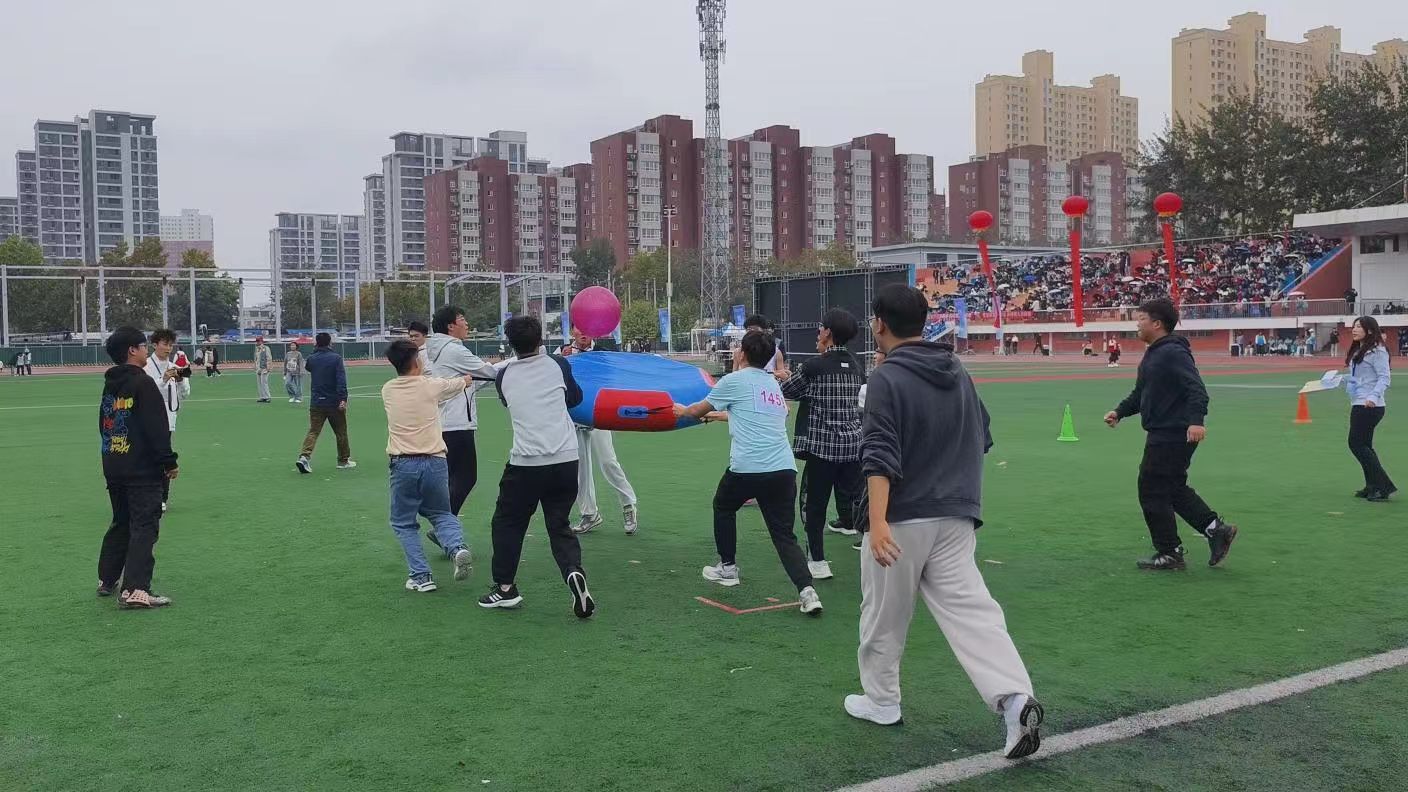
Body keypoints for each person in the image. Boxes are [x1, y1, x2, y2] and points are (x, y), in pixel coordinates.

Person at [844, 285, 1042, 761]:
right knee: (973, 612)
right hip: (956, 514)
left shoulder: (886, 377)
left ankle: (882, 701)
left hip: (902, 517)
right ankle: (1015, 700)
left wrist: (878, 521)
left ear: (879, 324)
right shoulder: (957, 370)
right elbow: (982, 435)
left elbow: (879, 454)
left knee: (884, 615)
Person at [674, 330, 824, 616]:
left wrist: (681, 411)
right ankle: (807, 591)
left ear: (742, 353)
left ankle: (728, 568)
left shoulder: (734, 381)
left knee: (723, 505)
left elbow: (697, 410)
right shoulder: (772, 385)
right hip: (783, 469)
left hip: (748, 467)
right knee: (784, 535)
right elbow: (755, 412)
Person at [1104, 299, 1238, 570]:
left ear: (1157, 324)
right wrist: (1120, 411)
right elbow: (1141, 394)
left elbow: (1196, 389)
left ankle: (1169, 552)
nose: (1137, 324)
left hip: (1173, 431)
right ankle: (1216, 530)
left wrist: (1196, 421)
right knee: (1172, 487)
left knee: (1151, 489)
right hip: (1166, 430)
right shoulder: (1154, 353)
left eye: (1141, 319)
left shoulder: (1172, 352)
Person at [478, 315, 595, 619]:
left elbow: (508, 402)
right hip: (566, 459)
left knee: (507, 523)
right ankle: (573, 570)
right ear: (540, 339)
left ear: (511, 344)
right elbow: (575, 398)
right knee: (559, 524)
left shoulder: (504, 376)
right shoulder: (559, 365)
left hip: (527, 463)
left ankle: (505, 588)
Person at [380, 340, 478, 592]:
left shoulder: (388, 389)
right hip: (435, 461)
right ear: (416, 362)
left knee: (404, 522)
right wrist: (467, 378)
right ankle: (457, 547)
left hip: (403, 463)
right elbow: (459, 383)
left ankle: (421, 576)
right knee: (441, 513)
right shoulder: (431, 385)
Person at [775, 308, 865, 579]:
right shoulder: (857, 366)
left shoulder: (814, 366)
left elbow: (787, 391)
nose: (818, 332)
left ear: (828, 332)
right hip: (852, 446)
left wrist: (785, 378)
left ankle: (818, 560)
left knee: (814, 505)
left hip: (822, 448)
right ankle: (869, 544)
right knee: (858, 497)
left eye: (821, 327)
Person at [97, 327, 179, 609]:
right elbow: (157, 428)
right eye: (143, 346)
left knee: (121, 521)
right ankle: (135, 589)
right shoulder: (143, 383)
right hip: (141, 469)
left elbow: (104, 425)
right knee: (144, 526)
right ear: (132, 350)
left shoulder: (110, 384)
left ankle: (107, 579)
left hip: (114, 462)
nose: (146, 350)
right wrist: (169, 462)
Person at [424, 306, 496, 538]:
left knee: (454, 478)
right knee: (466, 477)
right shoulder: (454, 350)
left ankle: (442, 525)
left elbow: (473, 381)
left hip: (446, 422)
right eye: (462, 319)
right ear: (450, 326)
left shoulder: (439, 349)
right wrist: (518, 362)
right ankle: (442, 526)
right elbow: (488, 372)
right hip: (456, 424)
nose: (467, 324)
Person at [560, 328, 640, 536]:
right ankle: (589, 513)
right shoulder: (563, 353)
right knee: (580, 468)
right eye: (579, 328)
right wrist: (563, 360)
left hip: (599, 414)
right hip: (574, 415)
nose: (583, 333)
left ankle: (628, 505)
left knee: (608, 461)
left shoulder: (603, 352)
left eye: (587, 328)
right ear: (572, 331)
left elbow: (613, 379)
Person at [1344, 317, 1396, 502]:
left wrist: (1373, 396)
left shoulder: (1377, 351)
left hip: (1370, 405)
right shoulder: (1360, 350)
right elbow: (1361, 377)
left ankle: (1383, 486)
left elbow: (1384, 377)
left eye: (1359, 326)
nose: (1354, 329)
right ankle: (1372, 485)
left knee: (1356, 444)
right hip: (1359, 402)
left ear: (1370, 330)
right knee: (1365, 445)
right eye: (1354, 326)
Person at [143, 328, 191, 513]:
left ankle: (162, 498)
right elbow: (144, 391)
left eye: (171, 345)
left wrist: (180, 381)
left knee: (164, 458)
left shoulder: (175, 366)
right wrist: (163, 379)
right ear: (155, 345)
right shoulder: (145, 366)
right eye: (165, 344)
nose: (168, 348)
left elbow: (185, 394)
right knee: (147, 458)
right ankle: (145, 495)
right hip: (147, 419)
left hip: (168, 420)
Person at [296, 333, 354, 473]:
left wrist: (315, 351)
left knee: (313, 431)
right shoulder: (336, 358)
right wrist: (343, 398)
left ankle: (304, 456)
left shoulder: (312, 358)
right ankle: (343, 460)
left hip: (317, 402)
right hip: (334, 402)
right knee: (341, 432)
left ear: (316, 343)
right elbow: (341, 380)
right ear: (330, 343)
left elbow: (308, 367)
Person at [253, 336, 273, 403]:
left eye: (258, 341)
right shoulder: (257, 349)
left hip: (264, 368)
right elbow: (256, 359)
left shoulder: (266, 348)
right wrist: (255, 367)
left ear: (262, 341)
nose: (257, 342)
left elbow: (269, 358)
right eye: (257, 341)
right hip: (258, 368)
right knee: (259, 383)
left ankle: (267, 397)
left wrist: (268, 368)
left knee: (264, 382)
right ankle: (262, 397)